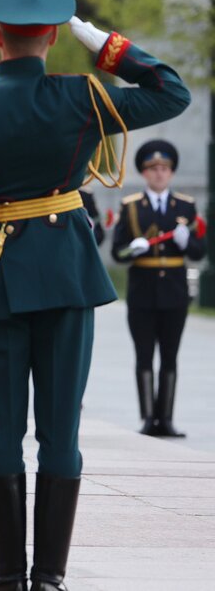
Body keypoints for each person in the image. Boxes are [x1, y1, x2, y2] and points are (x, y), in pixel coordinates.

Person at [0, 0, 189, 588]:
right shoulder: (82, 97)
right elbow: (170, 91)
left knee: (1, 434)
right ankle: (50, 578)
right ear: (50, 37)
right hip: (68, 279)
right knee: (61, 432)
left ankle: (9, 577)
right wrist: (100, 40)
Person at [111, 140, 206, 438]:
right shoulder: (131, 206)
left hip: (174, 292)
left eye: (164, 169)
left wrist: (185, 241)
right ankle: (148, 417)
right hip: (142, 290)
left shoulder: (186, 206)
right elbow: (117, 253)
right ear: (144, 173)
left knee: (169, 355)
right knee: (143, 355)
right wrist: (132, 249)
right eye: (153, 169)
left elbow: (199, 252)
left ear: (172, 173)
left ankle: (165, 418)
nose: (159, 174)